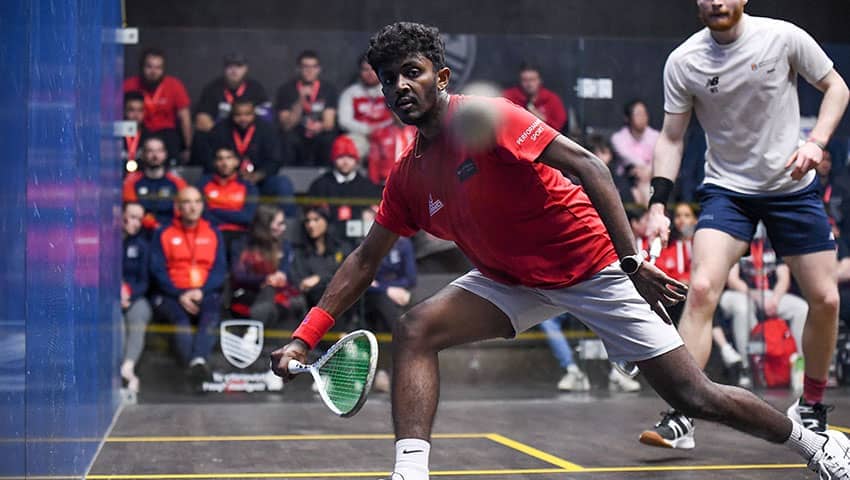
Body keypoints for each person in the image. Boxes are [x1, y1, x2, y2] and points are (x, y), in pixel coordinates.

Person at [270, 21, 850, 480]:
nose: (399, 86)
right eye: (388, 79)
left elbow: (590, 166)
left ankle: (812, 443)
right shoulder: (407, 177)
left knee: (693, 396)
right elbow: (364, 260)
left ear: (441, 76)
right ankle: (410, 473)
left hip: (591, 266)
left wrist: (630, 261)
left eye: (412, 72)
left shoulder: (486, 117)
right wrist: (305, 335)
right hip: (509, 279)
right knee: (416, 327)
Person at [642, 0, 849, 448]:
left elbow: (836, 87)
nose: (717, 1)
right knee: (701, 289)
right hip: (727, 191)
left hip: (792, 186)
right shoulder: (684, 61)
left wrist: (816, 143)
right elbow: (672, 138)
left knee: (826, 298)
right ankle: (683, 413)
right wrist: (658, 205)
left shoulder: (783, 37)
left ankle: (811, 406)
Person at [150, 186, 226, 388]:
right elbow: (157, 270)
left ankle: (196, 362)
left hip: (205, 292)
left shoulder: (213, 232)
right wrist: (179, 294)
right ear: (178, 207)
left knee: (210, 316)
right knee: (181, 322)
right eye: (187, 202)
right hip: (172, 294)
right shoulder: (163, 233)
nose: (193, 207)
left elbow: (219, 271)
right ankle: (196, 365)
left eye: (197, 202)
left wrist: (201, 291)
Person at [717, 235, 809, 383]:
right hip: (739, 293)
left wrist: (775, 299)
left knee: (801, 308)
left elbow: (784, 278)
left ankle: (800, 366)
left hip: (769, 294)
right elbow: (733, 280)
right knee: (743, 308)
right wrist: (755, 296)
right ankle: (747, 368)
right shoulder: (737, 239)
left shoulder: (775, 240)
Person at [209, 98, 296, 218]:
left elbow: (275, 160)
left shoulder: (267, 129)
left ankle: (288, 223)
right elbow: (211, 160)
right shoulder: (220, 130)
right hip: (229, 181)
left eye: (247, 114)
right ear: (232, 114)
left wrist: (258, 175)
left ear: (254, 113)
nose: (243, 119)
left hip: (260, 181)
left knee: (283, 183)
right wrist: (232, 175)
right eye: (238, 115)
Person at [231, 204, 301, 326]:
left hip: (279, 294)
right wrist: (266, 279)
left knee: (288, 298)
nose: (284, 228)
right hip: (249, 292)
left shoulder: (285, 245)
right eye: (279, 224)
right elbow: (239, 276)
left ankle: (254, 329)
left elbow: (287, 273)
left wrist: (279, 276)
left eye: (283, 223)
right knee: (268, 290)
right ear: (265, 225)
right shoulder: (243, 245)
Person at [123, 48, 192, 163]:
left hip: (166, 134)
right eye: (149, 67)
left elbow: (185, 118)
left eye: (158, 67)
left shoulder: (174, 85)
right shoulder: (129, 85)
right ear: (142, 67)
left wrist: (188, 147)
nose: (153, 72)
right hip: (137, 132)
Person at [306, 134, 383, 234]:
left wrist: (371, 213)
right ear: (334, 159)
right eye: (341, 157)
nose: (345, 162)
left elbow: (377, 209)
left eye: (350, 157)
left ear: (356, 160)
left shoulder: (367, 185)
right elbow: (311, 212)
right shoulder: (320, 185)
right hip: (328, 236)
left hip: (361, 236)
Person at [275, 50, 338, 166]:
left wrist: (319, 126)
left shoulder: (328, 89)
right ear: (298, 69)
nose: (310, 71)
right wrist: (300, 100)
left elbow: (329, 123)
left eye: (314, 67)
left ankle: (326, 172)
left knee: (328, 138)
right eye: (305, 67)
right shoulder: (286, 90)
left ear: (319, 69)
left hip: (319, 132)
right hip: (297, 132)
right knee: (287, 138)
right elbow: (286, 124)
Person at [199, 146, 259, 265]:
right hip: (211, 232)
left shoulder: (248, 187)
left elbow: (248, 217)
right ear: (215, 163)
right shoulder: (203, 184)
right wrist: (234, 215)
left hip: (240, 234)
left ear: (236, 161)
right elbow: (202, 214)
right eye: (220, 159)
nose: (224, 163)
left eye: (229, 158)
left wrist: (215, 210)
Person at [290, 205, 351, 312]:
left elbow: (344, 273)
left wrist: (319, 278)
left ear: (326, 221)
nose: (311, 225)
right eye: (307, 221)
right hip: (310, 303)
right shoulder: (301, 252)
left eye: (316, 220)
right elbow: (300, 281)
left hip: (338, 303)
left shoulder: (340, 249)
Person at [120, 202, 153, 394]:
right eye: (132, 217)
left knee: (140, 312)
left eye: (139, 219)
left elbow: (144, 282)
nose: (136, 223)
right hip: (108, 297)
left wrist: (129, 294)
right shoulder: (105, 241)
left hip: (133, 298)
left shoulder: (141, 246)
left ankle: (128, 366)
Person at [123, 136, 188, 229]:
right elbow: (130, 213)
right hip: (140, 230)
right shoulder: (132, 182)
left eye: (159, 151)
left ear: (165, 154)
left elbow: (184, 211)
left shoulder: (178, 182)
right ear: (143, 154)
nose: (155, 155)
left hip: (171, 231)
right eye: (150, 151)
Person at [195, 52, 269, 132]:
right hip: (220, 135)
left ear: (246, 68)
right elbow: (201, 120)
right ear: (224, 69)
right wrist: (223, 135)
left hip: (250, 136)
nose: (234, 70)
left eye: (238, 66)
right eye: (230, 66)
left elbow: (267, 118)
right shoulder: (212, 89)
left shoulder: (256, 89)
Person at [338, 53, 394, 159]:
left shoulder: (391, 90)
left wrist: (381, 130)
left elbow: (399, 118)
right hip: (360, 136)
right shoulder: (350, 93)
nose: (370, 73)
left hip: (388, 135)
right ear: (360, 71)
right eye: (365, 70)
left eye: (373, 69)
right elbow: (344, 121)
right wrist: (369, 130)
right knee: (346, 146)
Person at [610, 100, 659, 206]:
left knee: (647, 187)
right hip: (627, 178)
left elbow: (658, 159)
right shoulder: (618, 138)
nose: (643, 117)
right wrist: (643, 169)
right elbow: (628, 157)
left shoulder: (656, 136)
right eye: (638, 114)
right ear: (628, 118)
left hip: (650, 177)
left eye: (644, 114)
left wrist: (648, 170)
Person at [502, 63, 567, 132]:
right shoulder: (508, 98)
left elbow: (559, 127)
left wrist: (539, 117)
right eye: (525, 80)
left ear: (540, 80)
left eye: (532, 80)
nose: (529, 84)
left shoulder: (552, 99)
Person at [122, 91, 150, 173]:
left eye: (140, 110)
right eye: (131, 110)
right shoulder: (115, 136)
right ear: (124, 111)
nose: (136, 114)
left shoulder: (149, 137)